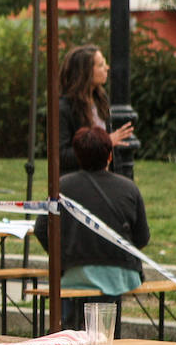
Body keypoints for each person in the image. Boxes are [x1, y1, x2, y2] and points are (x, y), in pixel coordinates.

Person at [34, 126, 149, 332]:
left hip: (75, 271)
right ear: (110, 155)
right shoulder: (129, 188)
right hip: (120, 273)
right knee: (106, 329)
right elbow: (142, 237)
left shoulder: (62, 187)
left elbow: (41, 230)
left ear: (77, 156)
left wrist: (62, 256)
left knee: (68, 324)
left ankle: (68, 335)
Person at [57, 45, 133, 173]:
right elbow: (62, 155)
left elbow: (111, 149)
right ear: (85, 72)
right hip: (79, 182)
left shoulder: (101, 99)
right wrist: (106, 142)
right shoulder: (64, 108)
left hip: (105, 179)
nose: (107, 68)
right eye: (101, 65)